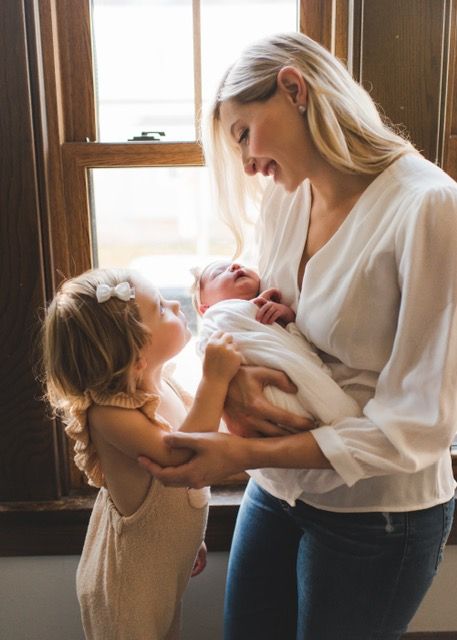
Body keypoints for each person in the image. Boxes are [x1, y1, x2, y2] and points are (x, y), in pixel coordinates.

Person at [139, 32, 457, 640]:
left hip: (377, 512)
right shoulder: (288, 197)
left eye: (243, 135)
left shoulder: (428, 208)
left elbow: (419, 423)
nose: (248, 164)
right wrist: (232, 388)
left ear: (293, 89)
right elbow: (263, 326)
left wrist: (242, 454)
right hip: (281, 490)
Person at [42, 267, 241, 640]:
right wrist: (215, 380)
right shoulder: (109, 415)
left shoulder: (163, 384)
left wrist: (184, 539)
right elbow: (183, 458)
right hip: (124, 589)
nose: (176, 306)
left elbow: (179, 478)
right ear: (135, 355)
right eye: (162, 309)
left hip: (160, 570)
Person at [193, 258, 363, 504]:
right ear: (205, 309)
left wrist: (289, 319)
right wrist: (246, 310)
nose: (233, 267)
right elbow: (212, 351)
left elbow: (302, 351)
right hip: (270, 477)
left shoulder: (272, 311)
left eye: (237, 264)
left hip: (347, 471)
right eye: (219, 273)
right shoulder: (219, 318)